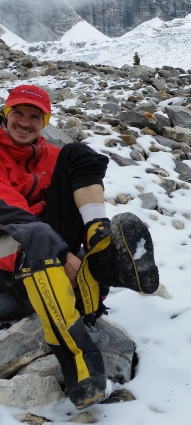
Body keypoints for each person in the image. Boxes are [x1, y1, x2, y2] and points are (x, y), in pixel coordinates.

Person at [0, 85, 159, 409]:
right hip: (7, 247)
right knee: (37, 234)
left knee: (78, 155)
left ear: (45, 121)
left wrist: (71, 241)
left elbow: (85, 173)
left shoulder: (47, 154)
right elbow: (10, 209)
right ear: (6, 113)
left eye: (35, 116)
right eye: (18, 113)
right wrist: (61, 252)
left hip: (41, 244)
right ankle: (78, 360)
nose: (25, 122)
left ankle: (101, 246)